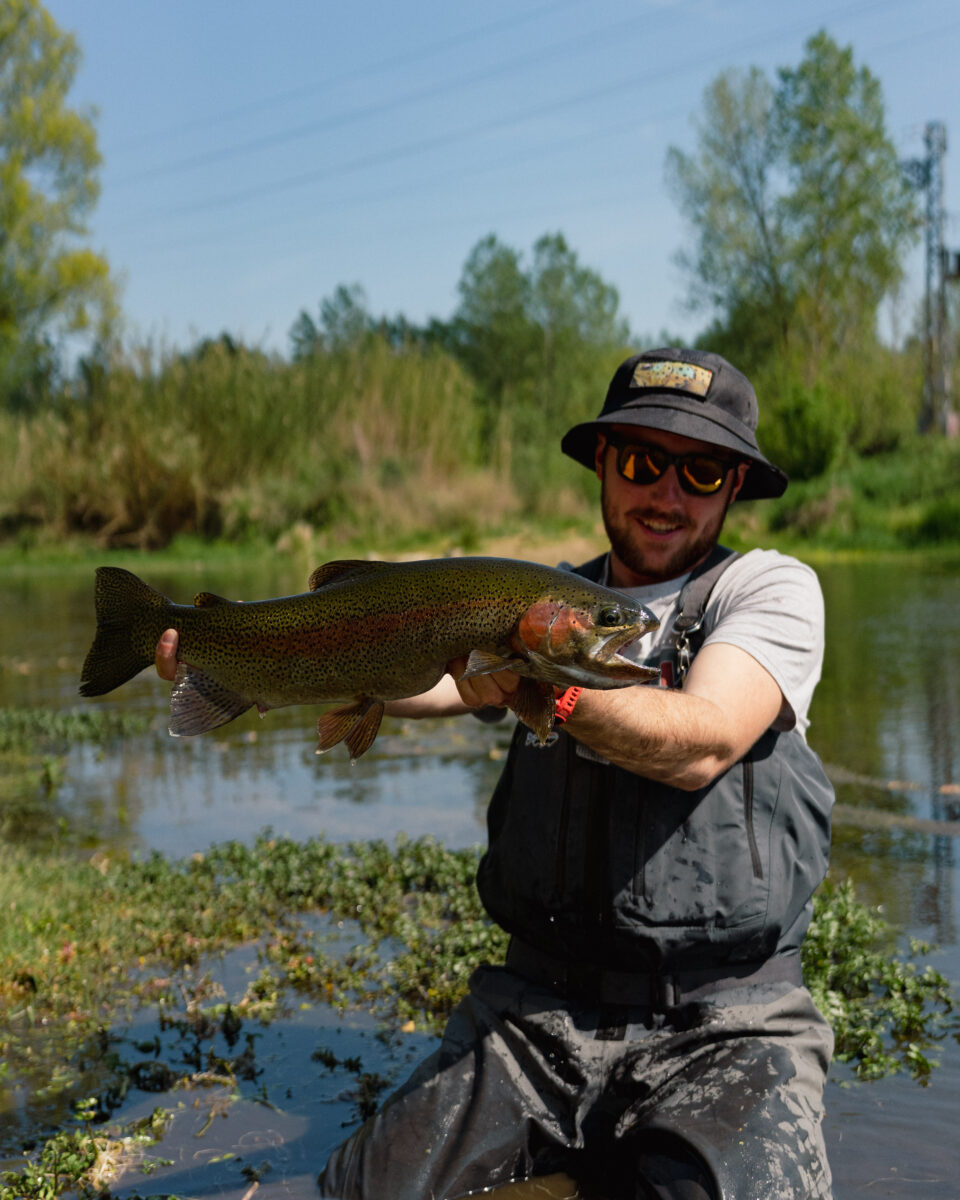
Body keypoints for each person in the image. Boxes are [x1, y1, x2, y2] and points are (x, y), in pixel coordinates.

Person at [156, 347, 836, 1200]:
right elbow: (429, 680)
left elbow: (701, 739)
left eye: (700, 472)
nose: (666, 494)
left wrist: (546, 687)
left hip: (727, 1021)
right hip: (536, 1011)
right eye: (641, 462)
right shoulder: (533, 594)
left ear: (735, 485)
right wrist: (258, 671)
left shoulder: (768, 590)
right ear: (602, 465)